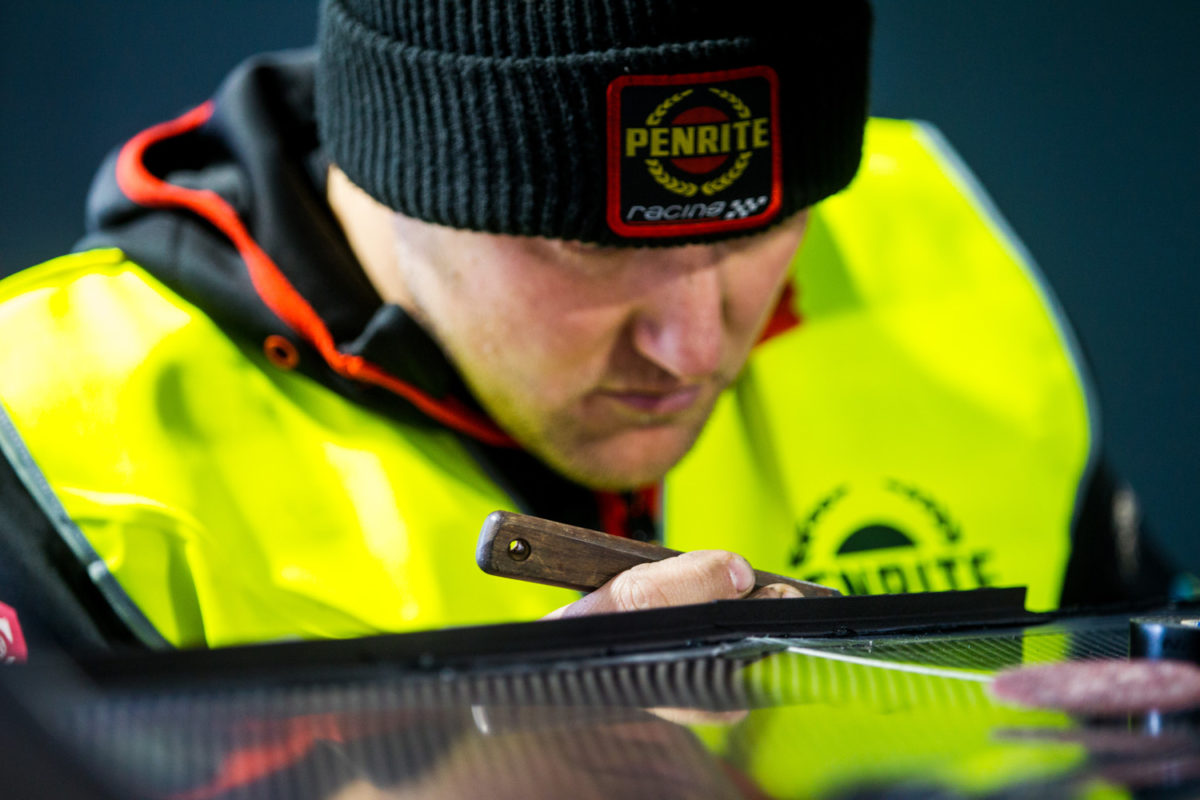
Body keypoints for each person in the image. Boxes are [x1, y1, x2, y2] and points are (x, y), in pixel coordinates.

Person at [0, 0, 1175, 653]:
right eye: (596, 250)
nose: (697, 347)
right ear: (394, 175)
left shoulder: (932, 245)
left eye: (762, 230)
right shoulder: (51, 434)